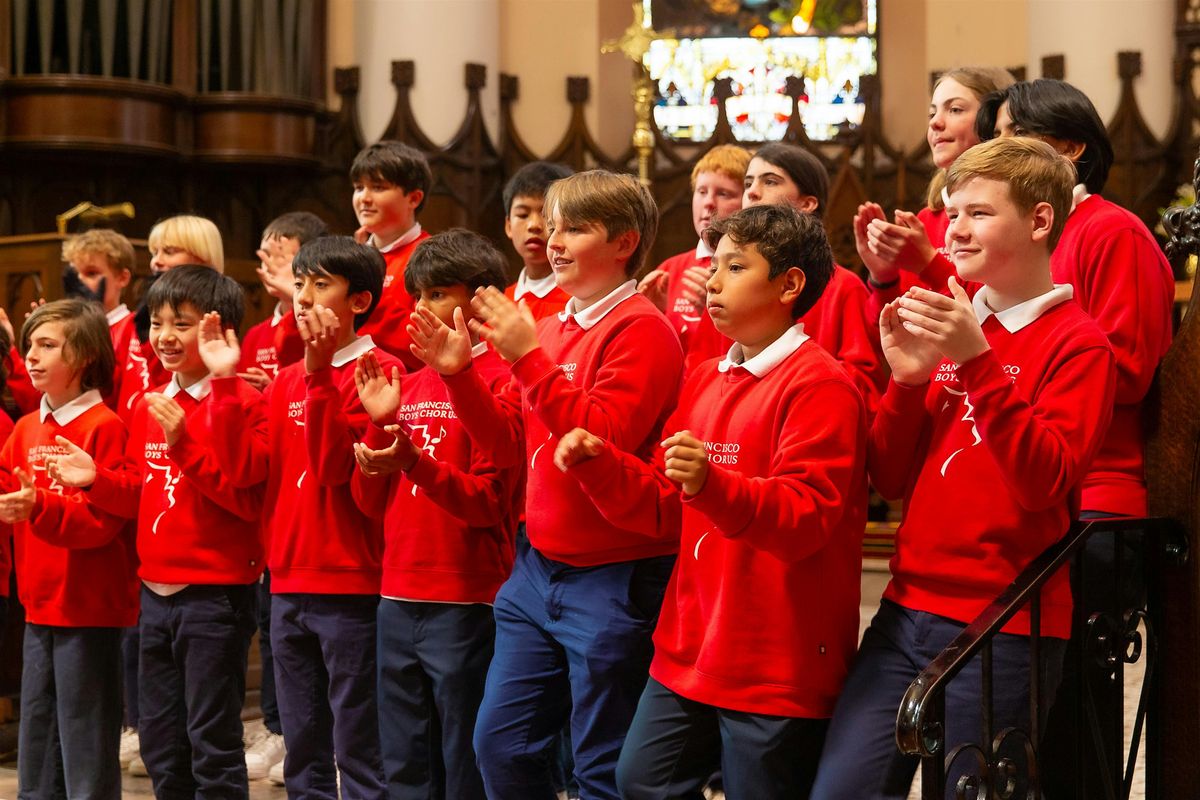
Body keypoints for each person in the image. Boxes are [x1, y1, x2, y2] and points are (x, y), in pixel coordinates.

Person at [810, 137, 1117, 799]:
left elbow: (1043, 483)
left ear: (1039, 222)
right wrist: (908, 382)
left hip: (1003, 619)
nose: (956, 229)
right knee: (841, 789)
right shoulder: (955, 320)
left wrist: (976, 363)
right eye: (953, 214)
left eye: (979, 213)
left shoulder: (1078, 343)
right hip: (905, 606)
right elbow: (890, 480)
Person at [556, 203, 868, 798]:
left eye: (735, 266)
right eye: (714, 264)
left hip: (776, 654)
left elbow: (806, 517)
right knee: (640, 781)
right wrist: (601, 466)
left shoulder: (822, 384)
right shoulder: (704, 376)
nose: (712, 280)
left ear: (789, 284)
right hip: (691, 643)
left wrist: (712, 485)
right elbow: (661, 504)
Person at [407, 169, 684, 800]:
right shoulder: (555, 326)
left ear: (624, 243)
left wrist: (527, 359)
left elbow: (599, 439)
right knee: (499, 746)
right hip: (537, 569)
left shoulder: (641, 329)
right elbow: (509, 444)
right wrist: (459, 377)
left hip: (614, 572)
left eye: (575, 228)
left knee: (600, 767)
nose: (553, 241)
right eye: (551, 226)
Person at [973, 78, 1176, 798]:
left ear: (1068, 148)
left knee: (1077, 710)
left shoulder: (1112, 231)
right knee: (1031, 709)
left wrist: (1031, 369)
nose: (991, 147)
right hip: (1039, 488)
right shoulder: (1029, 237)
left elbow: (1126, 369)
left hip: (1098, 494)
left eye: (1008, 133)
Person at [50, 266, 267, 799]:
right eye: (158, 323)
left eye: (183, 324)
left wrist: (184, 445)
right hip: (154, 594)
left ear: (219, 332)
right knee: (162, 744)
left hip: (214, 596)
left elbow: (245, 498)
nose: (165, 336)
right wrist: (97, 480)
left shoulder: (240, 402)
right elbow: (141, 496)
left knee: (211, 743)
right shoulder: (144, 402)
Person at [201, 236, 400, 799]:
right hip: (286, 583)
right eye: (299, 284)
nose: (304, 298)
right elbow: (244, 470)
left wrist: (319, 378)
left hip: (351, 584)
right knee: (302, 747)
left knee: (359, 747)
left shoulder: (379, 372)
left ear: (359, 300)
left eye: (321, 285)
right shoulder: (287, 376)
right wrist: (222, 382)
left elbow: (336, 471)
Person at [351, 229, 519, 800]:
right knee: (403, 762)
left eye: (437, 294)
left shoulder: (501, 380)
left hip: (466, 600)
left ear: (478, 301)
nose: (421, 309)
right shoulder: (407, 383)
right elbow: (367, 502)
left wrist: (416, 463)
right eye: (417, 294)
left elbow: (490, 502)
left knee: (461, 764)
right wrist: (380, 424)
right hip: (397, 595)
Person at [3, 300, 136, 800]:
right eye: (29, 344)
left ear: (81, 356)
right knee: (37, 730)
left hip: (88, 607)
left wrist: (38, 508)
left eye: (47, 345)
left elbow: (101, 524)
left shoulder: (104, 426)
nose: (31, 357)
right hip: (39, 606)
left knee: (85, 734)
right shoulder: (24, 429)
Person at [235, 212, 327, 781]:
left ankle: (315, 739)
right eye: (264, 253)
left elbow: (311, 361)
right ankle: (276, 728)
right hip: (275, 503)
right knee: (274, 629)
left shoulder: (301, 325)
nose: (270, 264)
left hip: (314, 499)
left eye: (284, 256)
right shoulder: (254, 333)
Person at [59, 227, 153, 774]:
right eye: (75, 273)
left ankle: (132, 721)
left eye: (93, 273)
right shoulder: (75, 326)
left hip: (111, 461)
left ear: (121, 277)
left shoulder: (129, 335)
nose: (82, 284)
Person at [855, 66, 1015, 314]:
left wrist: (929, 264)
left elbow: (999, 313)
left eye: (955, 110)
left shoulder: (1010, 214)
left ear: (993, 122)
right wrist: (883, 277)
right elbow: (889, 336)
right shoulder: (927, 219)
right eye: (932, 113)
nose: (936, 123)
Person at [742, 143, 885, 415]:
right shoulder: (735, 281)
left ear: (807, 204)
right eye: (748, 182)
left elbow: (864, 388)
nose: (751, 191)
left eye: (770, 181)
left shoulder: (844, 287)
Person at [639, 144, 751, 373]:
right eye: (701, 192)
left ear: (748, 202)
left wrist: (717, 314)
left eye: (723, 193)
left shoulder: (752, 270)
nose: (708, 203)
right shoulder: (671, 269)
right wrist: (653, 316)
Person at [352, 140, 433, 369]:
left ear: (413, 198)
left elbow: (422, 341)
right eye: (359, 187)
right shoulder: (351, 255)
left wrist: (360, 277)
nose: (364, 199)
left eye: (378, 187)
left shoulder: (432, 257)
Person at [502, 161, 575, 320]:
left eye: (545, 214)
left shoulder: (578, 301)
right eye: (522, 215)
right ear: (508, 226)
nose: (534, 225)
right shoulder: (500, 304)